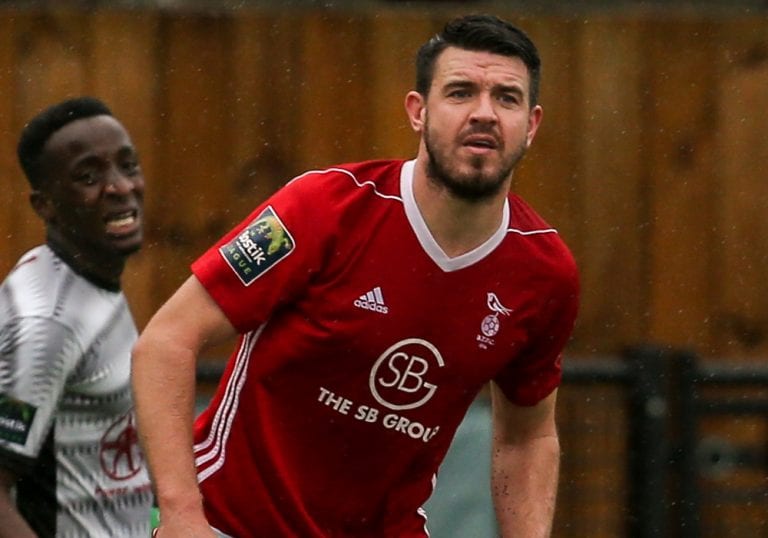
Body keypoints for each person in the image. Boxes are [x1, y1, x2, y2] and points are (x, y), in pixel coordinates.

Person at [132, 13, 579, 538]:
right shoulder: (321, 209)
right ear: (418, 111)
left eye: (506, 98)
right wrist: (183, 515)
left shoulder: (545, 275)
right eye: (460, 92)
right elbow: (165, 341)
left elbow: (527, 438)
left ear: (531, 124)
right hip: (230, 523)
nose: (484, 113)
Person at [0, 97, 152, 537]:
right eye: (89, 176)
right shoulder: (45, 323)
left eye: (128, 165)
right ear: (44, 205)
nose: (120, 187)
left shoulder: (88, 277)